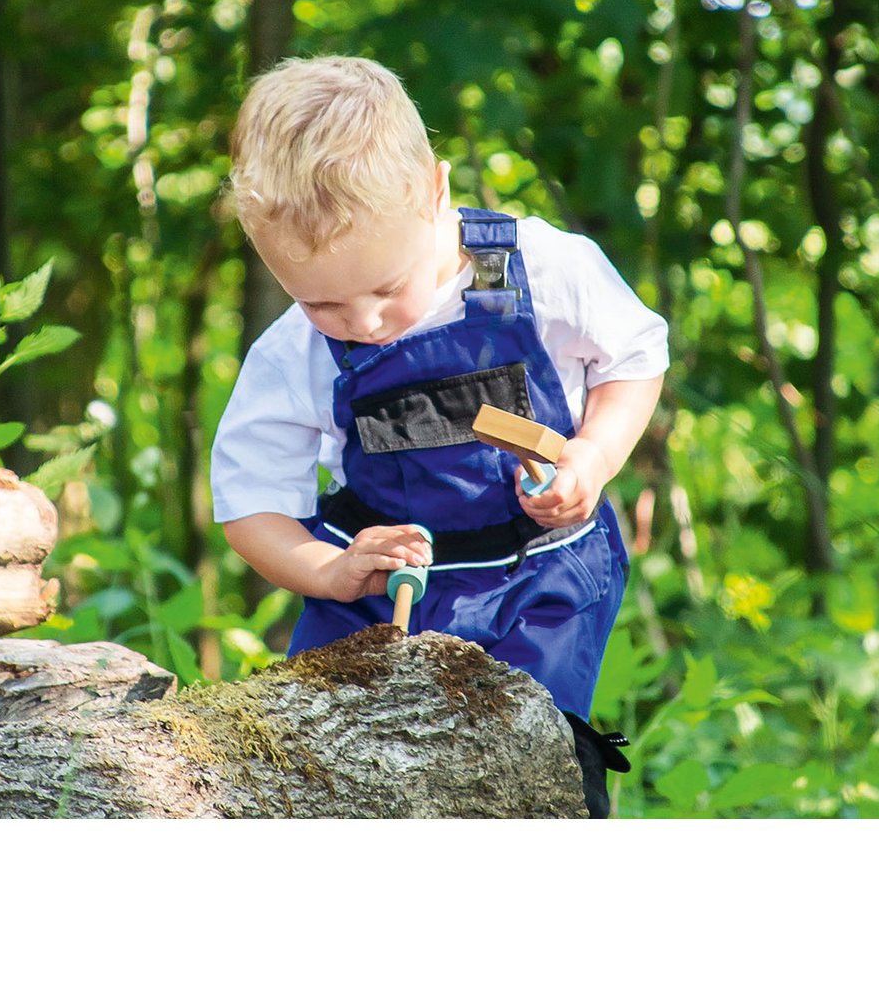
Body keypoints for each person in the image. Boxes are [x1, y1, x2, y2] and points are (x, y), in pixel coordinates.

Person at [212, 55, 668, 816]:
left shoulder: (540, 269)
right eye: (322, 302)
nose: (361, 324)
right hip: (379, 581)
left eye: (387, 290)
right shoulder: (293, 351)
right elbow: (249, 504)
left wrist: (591, 456)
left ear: (436, 193)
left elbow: (635, 358)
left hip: (536, 574)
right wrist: (328, 572)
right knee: (312, 764)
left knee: (535, 761)